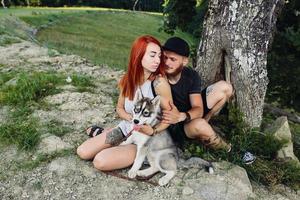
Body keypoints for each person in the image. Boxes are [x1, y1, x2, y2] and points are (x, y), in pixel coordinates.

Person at [77, 35, 173, 171]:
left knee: (100, 161)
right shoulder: (129, 79)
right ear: (139, 56)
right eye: (152, 55)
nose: (157, 60)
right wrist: (131, 119)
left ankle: (139, 156)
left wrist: (153, 130)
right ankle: (106, 136)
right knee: (83, 152)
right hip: (125, 129)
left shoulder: (159, 83)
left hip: (146, 140)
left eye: (159, 56)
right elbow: (120, 108)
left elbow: (170, 117)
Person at [161, 37, 233, 152]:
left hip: (187, 114)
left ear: (184, 61)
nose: (167, 63)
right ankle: (228, 150)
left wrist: (183, 115)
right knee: (200, 125)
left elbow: (198, 108)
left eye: (172, 59)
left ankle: (206, 121)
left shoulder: (191, 75)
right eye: (165, 57)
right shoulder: (160, 77)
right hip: (177, 125)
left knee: (225, 87)